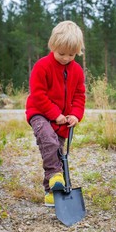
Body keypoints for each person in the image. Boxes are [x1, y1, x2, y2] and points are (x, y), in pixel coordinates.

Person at [25, 21, 86, 207]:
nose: (66, 58)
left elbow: (79, 95)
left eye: (71, 54)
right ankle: (55, 179)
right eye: (61, 53)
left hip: (63, 120)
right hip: (40, 113)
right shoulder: (42, 66)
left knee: (56, 154)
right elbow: (38, 94)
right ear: (53, 46)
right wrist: (54, 113)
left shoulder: (77, 70)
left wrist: (75, 114)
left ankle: (51, 192)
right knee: (49, 142)